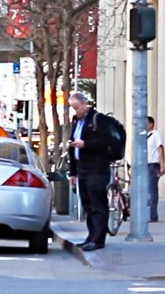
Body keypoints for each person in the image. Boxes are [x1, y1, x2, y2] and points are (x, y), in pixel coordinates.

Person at [68, 92, 112, 252]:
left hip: (97, 168)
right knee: (87, 204)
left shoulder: (98, 120)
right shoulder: (77, 122)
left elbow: (106, 141)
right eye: (73, 108)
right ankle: (91, 236)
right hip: (82, 168)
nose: (75, 111)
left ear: (85, 104)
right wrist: (73, 172)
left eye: (76, 108)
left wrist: (86, 144)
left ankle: (98, 239)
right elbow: (72, 148)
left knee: (97, 203)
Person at [147, 116, 165, 222]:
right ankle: (146, 212)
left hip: (153, 165)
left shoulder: (156, 135)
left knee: (152, 190)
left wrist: (162, 166)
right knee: (144, 190)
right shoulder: (144, 136)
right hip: (144, 165)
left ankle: (153, 215)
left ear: (150, 124)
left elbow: (161, 149)